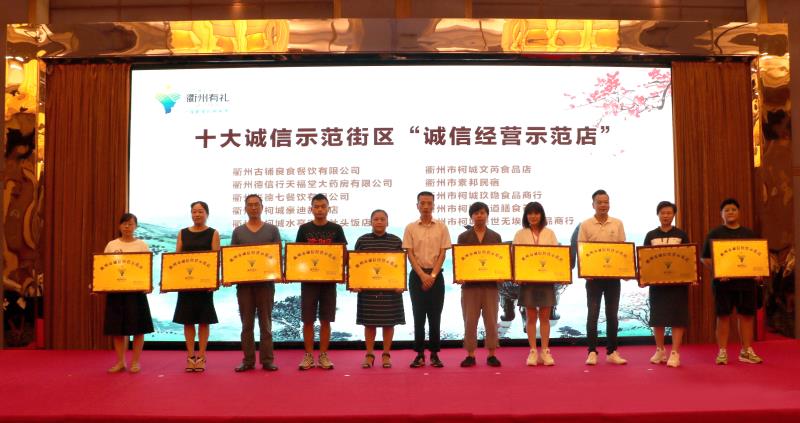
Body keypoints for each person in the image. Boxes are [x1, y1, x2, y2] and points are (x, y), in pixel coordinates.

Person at [702, 198, 764, 365]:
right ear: (721, 214)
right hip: (723, 284)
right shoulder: (714, 234)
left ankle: (746, 351)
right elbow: (705, 258)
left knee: (746, 316)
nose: (730, 212)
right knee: (723, 316)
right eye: (727, 210)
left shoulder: (749, 234)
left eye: (733, 209)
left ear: (739, 212)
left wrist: (758, 272)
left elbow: (757, 257)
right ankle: (722, 351)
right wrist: (718, 271)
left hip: (746, 284)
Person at [296, 193, 347, 370]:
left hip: (329, 282)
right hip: (308, 282)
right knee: (308, 320)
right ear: (311, 209)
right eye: (316, 207)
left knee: (326, 320)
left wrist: (342, 273)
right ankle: (308, 356)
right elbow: (297, 256)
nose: (319, 210)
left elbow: (343, 254)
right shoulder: (304, 229)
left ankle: (323, 355)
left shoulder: (336, 229)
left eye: (323, 206)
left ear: (328, 208)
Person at [230, 194, 281, 372]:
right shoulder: (238, 232)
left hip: (266, 286)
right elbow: (232, 260)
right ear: (245, 208)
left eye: (256, 204)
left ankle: (267, 360)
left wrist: (279, 273)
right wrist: (229, 277)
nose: (253, 207)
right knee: (246, 325)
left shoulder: (272, 230)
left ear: (262, 207)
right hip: (244, 286)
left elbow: (277, 257)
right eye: (250, 205)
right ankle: (248, 360)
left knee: (266, 325)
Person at [578, 189, 627, 365]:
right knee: (593, 314)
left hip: (613, 278)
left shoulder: (617, 223)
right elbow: (581, 250)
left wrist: (625, 271)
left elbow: (623, 251)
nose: (603, 205)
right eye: (599, 202)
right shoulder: (585, 225)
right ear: (593, 204)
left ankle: (612, 351)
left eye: (606, 202)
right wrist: (585, 272)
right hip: (593, 279)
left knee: (612, 315)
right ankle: (592, 351)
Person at [403, 191, 452, 368]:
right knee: (418, 316)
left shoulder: (442, 227)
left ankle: (434, 354)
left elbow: (443, 253)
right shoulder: (410, 227)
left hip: (436, 276)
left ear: (433, 205)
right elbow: (409, 254)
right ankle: (419, 354)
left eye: (429, 203)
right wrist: (422, 275)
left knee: (435, 316)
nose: (425, 206)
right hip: (417, 276)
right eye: (422, 203)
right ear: (417, 205)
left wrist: (432, 276)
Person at [172, 201, 220, 372]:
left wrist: (214, 281)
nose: (197, 214)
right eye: (194, 211)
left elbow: (216, 260)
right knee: (188, 320)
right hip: (186, 284)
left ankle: (202, 356)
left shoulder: (213, 233)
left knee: (204, 321)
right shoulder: (182, 233)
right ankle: (191, 356)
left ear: (207, 214)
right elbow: (176, 259)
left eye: (200, 211)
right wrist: (171, 280)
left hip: (205, 285)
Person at [353, 209, 405, 369]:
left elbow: (401, 266)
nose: (379, 222)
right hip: (368, 290)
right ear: (371, 222)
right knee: (369, 324)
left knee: (389, 323)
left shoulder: (396, 241)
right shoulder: (362, 240)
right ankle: (369, 355)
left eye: (382, 219)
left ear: (387, 222)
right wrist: (355, 283)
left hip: (391, 290)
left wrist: (401, 284)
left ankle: (386, 355)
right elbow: (355, 265)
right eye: (376, 219)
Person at [104, 213, 154, 373]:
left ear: (136, 226)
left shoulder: (141, 245)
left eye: (131, 224)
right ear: (119, 226)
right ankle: (120, 362)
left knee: (139, 329)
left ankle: (135, 362)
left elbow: (147, 267)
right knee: (117, 329)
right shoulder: (111, 245)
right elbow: (104, 268)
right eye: (124, 223)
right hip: (116, 292)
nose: (127, 227)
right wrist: (99, 285)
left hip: (137, 292)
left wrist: (149, 284)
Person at [643, 201, 690, 368]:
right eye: (663, 213)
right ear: (658, 214)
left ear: (674, 215)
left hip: (678, 285)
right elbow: (645, 260)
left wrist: (691, 276)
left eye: (669, 213)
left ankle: (675, 352)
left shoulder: (681, 234)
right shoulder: (651, 235)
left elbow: (688, 258)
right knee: (658, 318)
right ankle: (660, 350)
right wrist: (643, 278)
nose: (666, 216)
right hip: (657, 285)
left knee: (678, 318)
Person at [513, 202, 558, 366]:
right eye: (530, 213)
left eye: (536, 213)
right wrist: (517, 274)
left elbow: (556, 256)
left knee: (545, 317)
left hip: (546, 280)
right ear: (526, 216)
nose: (533, 216)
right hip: (528, 281)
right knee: (530, 317)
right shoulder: (520, 234)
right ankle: (533, 351)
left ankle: (545, 351)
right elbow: (515, 256)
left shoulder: (550, 233)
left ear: (541, 215)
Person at [457, 202, 502, 368]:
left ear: (487, 215)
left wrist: (502, 274)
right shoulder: (463, 237)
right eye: (476, 213)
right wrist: (459, 276)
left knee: (491, 321)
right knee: (470, 322)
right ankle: (470, 354)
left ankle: (492, 354)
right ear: (471, 216)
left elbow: (500, 261)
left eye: (482, 212)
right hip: (470, 287)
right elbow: (460, 261)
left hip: (490, 287)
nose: (479, 216)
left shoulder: (495, 236)